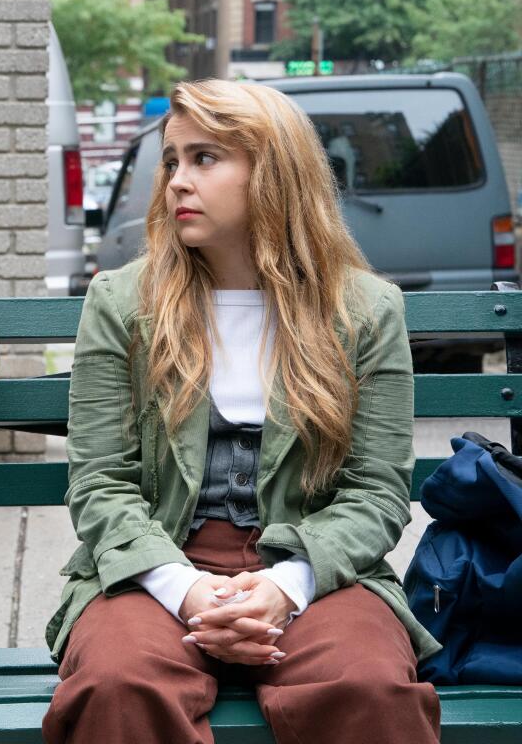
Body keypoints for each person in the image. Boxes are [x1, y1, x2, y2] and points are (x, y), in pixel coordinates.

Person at [41, 79, 442, 744]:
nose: (176, 181)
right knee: (118, 685)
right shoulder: (122, 303)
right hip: (153, 564)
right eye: (171, 161)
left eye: (204, 159)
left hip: (314, 567)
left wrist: (285, 587)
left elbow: (376, 493)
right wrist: (187, 590)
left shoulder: (365, 312)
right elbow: (98, 483)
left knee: (366, 685)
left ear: (274, 173)